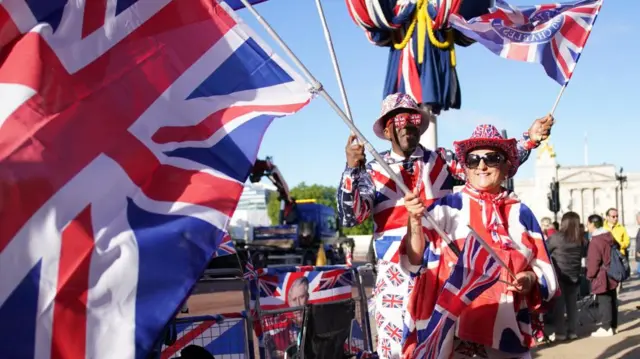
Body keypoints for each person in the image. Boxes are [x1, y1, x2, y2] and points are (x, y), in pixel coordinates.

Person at [337, 93, 554, 358]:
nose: (407, 124)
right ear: (387, 128)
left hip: (440, 270)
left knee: (443, 345)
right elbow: (351, 217)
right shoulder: (372, 170)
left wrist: (529, 140)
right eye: (400, 119)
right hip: (397, 272)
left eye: (413, 117)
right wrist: (351, 170)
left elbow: (487, 166)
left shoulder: (440, 159)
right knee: (395, 351)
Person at [400, 124, 558, 359]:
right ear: (466, 167)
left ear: (506, 167)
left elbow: (543, 270)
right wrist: (414, 221)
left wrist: (528, 278)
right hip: (452, 332)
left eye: (492, 158)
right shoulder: (446, 208)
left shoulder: (522, 214)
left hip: (506, 330)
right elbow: (414, 261)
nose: (482, 166)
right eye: (473, 159)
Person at [546, 211, 585, 341]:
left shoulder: (557, 238)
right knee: (572, 305)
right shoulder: (581, 239)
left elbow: (545, 250)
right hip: (575, 275)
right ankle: (572, 332)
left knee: (559, 306)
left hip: (560, 275)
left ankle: (560, 333)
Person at [586, 214, 618, 337]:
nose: (587, 226)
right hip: (612, 271)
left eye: (588, 224)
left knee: (604, 301)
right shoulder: (608, 236)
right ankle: (613, 326)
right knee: (612, 299)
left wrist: (590, 275)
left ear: (593, 224)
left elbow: (594, 261)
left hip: (601, 274)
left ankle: (606, 328)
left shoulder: (596, 241)